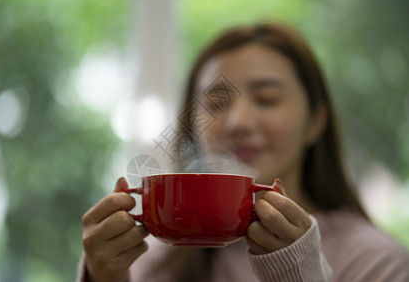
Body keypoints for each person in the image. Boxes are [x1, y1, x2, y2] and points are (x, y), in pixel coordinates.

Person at [77, 22, 409, 282]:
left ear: (315, 121)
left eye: (267, 99)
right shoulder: (150, 264)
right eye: (216, 104)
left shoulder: (375, 262)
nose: (238, 122)